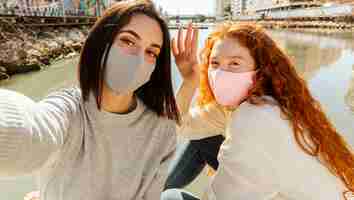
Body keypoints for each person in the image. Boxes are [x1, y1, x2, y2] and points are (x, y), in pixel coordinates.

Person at [0, 1, 181, 200]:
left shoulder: (162, 130)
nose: (138, 59)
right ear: (101, 43)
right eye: (128, 41)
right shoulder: (69, 110)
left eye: (151, 52)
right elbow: (32, 130)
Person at [163, 22, 354, 200]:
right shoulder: (245, 105)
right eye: (215, 64)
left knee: (170, 197)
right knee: (203, 139)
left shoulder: (255, 115)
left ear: (261, 71)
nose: (221, 73)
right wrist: (189, 81)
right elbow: (176, 127)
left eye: (235, 63)